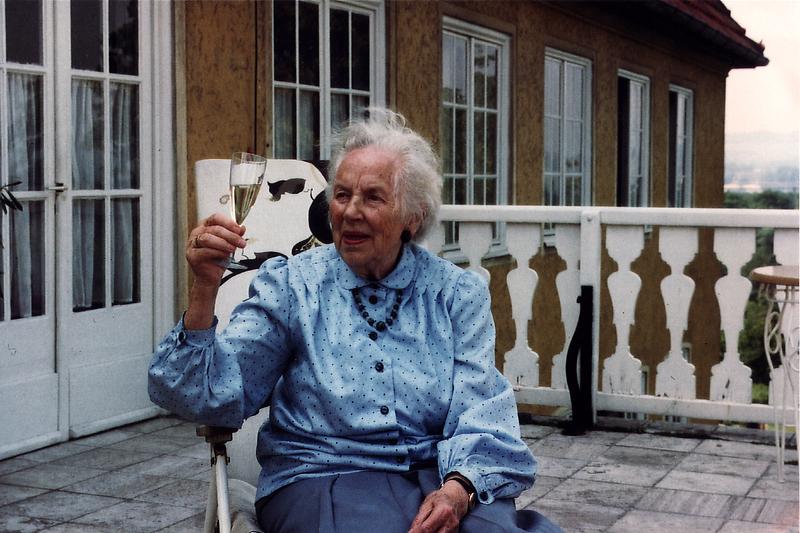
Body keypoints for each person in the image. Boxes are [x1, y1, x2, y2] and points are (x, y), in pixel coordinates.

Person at [149, 108, 562, 533]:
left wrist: (459, 490)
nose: (350, 212)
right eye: (342, 195)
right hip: (321, 477)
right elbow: (203, 394)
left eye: (373, 197)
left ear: (413, 217)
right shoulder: (294, 287)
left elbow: (482, 411)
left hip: (438, 479)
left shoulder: (456, 295)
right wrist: (205, 287)